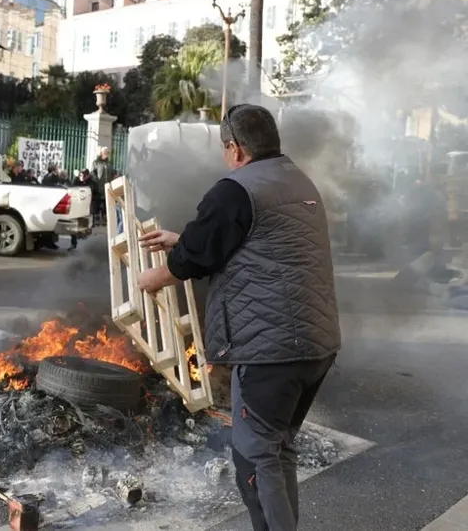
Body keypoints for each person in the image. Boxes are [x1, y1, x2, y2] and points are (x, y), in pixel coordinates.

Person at [135, 105, 341, 531]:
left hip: (272, 350)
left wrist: (152, 278)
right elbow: (256, 242)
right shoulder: (297, 181)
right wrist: (182, 239)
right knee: (277, 449)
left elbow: (195, 258)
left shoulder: (235, 189)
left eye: (224, 148)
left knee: (254, 457)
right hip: (316, 344)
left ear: (236, 148)